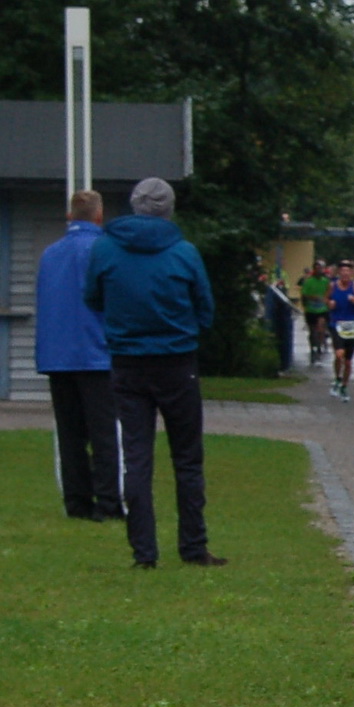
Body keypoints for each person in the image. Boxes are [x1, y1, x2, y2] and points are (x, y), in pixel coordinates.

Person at [85, 177, 223, 568]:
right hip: (177, 362)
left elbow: (92, 297)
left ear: (133, 205)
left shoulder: (106, 249)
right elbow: (205, 308)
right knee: (187, 458)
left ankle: (144, 553)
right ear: (169, 209)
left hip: (127, 362)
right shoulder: (183, 253)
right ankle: (193, 546)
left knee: (137, 456)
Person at [35, 188, 121, 522]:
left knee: (70, 435)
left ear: (70, 216)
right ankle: (108, 502)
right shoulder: (104, 251)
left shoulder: (50, 254)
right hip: (96, 354)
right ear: (99, 216)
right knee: (103, 435)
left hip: (57, 355)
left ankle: (77, 502)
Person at [326, 259, 354, 401]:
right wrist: (330, 303)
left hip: (352, 325)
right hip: (336, 323)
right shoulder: (332, 286)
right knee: (339, 354)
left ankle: (344, 386)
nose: (345, 274)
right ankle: (337, 378)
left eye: (348, 271)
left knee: (348, 361)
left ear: (352, 273)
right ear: (339, 273)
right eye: (343, 271)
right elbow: (325, 300)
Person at [299, 260, 330, 362]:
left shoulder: (326, 281)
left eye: (321, 268)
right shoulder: (308, 281)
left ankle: (320, 345)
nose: (319, 270)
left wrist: (326, 300)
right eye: (317, 268)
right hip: (311, 309)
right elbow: (304, 294)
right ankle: (313, 346)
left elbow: (329, 292)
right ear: (314, 269)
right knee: (312, 330)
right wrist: (312, 298)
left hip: (322, 309)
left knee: (321, 328)